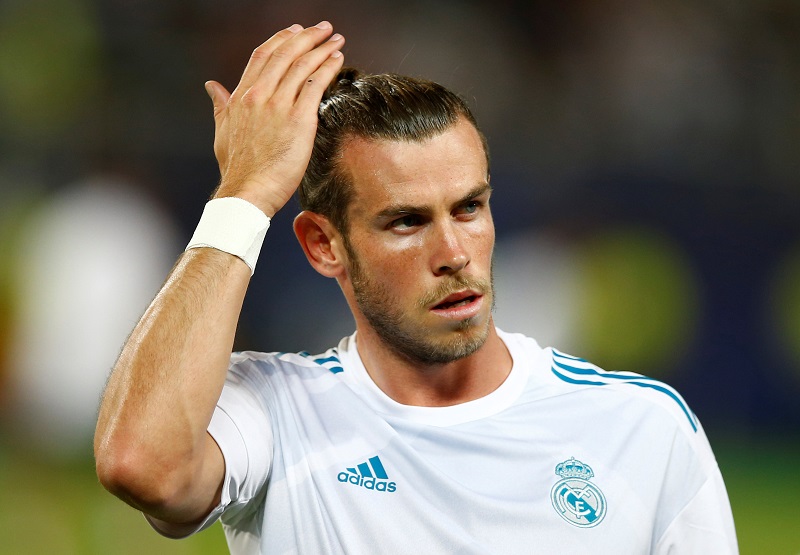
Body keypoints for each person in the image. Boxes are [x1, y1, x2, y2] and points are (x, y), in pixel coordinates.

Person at [94, 21, 738, 554]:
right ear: (324, 245)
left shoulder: (643, 428)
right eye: (406, 222)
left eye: (469, 208)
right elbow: (142, 466)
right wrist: (244, 195)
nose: (454, 254)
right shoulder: (276, 413)